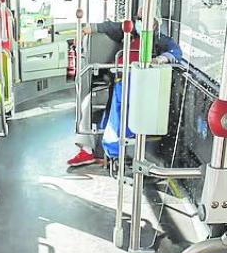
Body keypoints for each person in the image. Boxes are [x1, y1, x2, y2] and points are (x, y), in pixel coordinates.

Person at [67, 19, 182, 168]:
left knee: (118, 117)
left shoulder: (159, 40)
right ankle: (90, 151)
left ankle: (111, 153)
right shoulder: (130, 32)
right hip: (118, 76)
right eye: (139, 19)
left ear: (154, 24)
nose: (140, 22)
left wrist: (160, 59)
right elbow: (110, 26)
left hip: (138, 82)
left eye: (144, 19)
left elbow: (175, 52)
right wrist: (87, 29)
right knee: (92, 107)